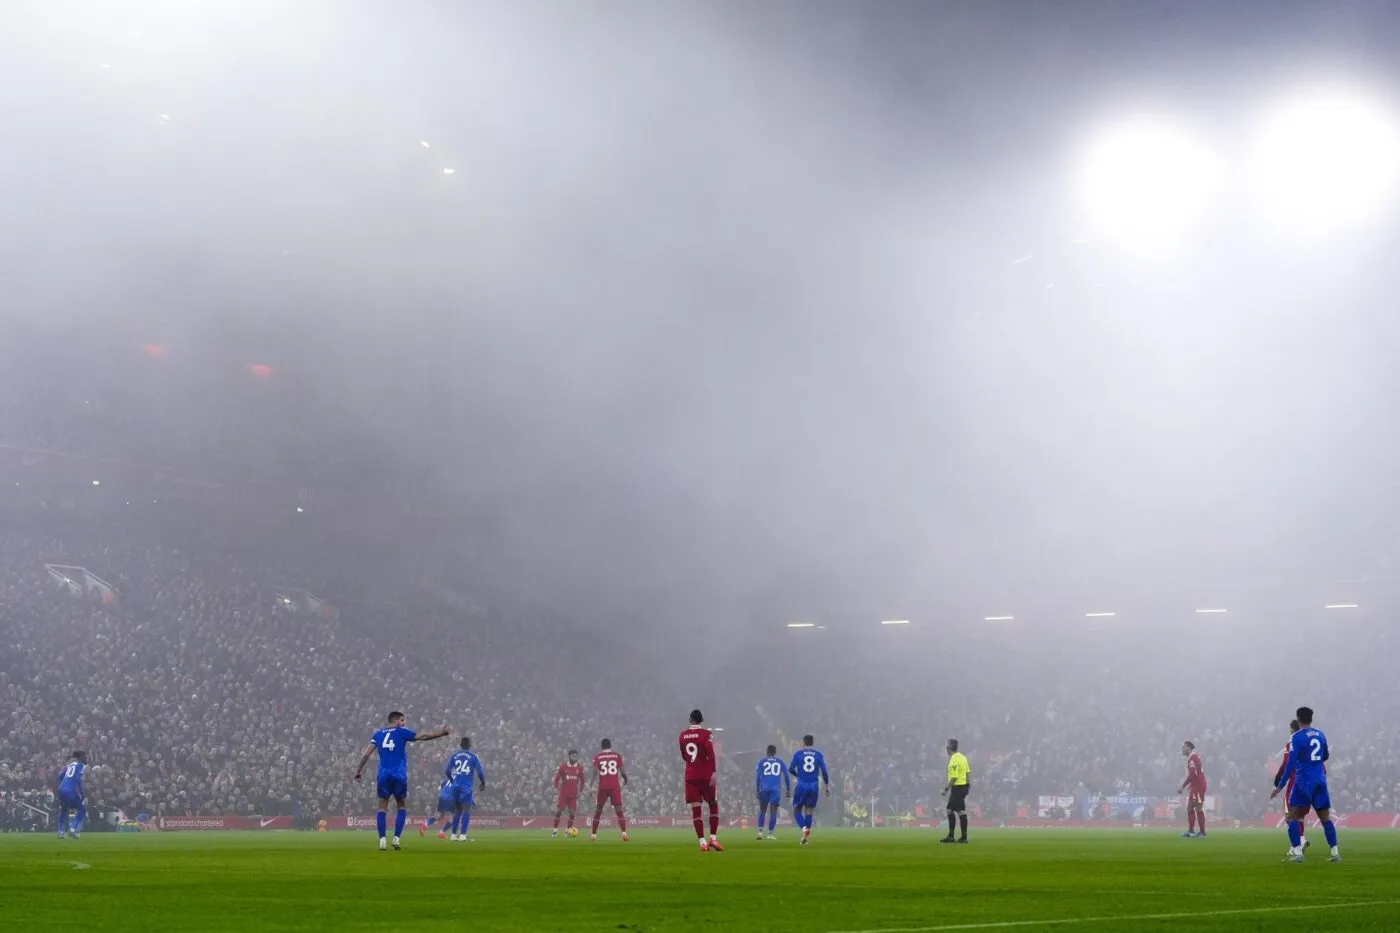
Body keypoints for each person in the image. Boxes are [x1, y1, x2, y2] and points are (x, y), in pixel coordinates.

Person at [353, 711, 451, 851]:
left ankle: (382, 841)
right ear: (397, 720)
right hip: (399, 774)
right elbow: (422, 736)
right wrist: (442, 733)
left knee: (382, 808)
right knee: (402, 806)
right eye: (403, 720)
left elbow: (366, 754)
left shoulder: (378, 734)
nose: (404, 723)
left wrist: (358, 771)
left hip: (383, 775)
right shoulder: (401, 731)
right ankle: (396, 839)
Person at [1277, 706, 1339, 862]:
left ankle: (1297, 854)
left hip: (1304, 780)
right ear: (1311, 719)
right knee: (1325, 818)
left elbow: (1290, 763)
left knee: (1293, 816)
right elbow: (1325, 755)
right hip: (1320, 779)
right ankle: (1335, 853)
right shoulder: (1320, 735)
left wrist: (1281, 784)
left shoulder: (1297, 737)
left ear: (1298, 719)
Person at [680, 709, 723, 851]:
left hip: (691, 776)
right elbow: (710, 753)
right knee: (713, 804)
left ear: (690, 719)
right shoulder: (706, 734)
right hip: (705, 775)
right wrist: (714, 772)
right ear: (701, 720)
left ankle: (702, 842)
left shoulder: (683, 735)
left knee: (696, 808)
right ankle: (713, 839)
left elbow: (684, 756)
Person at [1269, 719, 1309, 853]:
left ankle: (1299, 842)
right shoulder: (1307, 742)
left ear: (1292, 729)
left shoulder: (1292, 742)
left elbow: (1286, 763)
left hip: (1293, 783)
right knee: (1298, 816)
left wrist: (1278, 780)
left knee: (1289, 816)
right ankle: (1298, 842)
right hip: (1306, 782)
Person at [789, 735, 829, 846]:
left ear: (803, 742)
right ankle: (805, 838)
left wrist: (798, 775)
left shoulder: (798, 754)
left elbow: (790, 769)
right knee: (809, 811)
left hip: (801, 785)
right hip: (814, 786)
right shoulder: (818, 755)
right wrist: (827, 785)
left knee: (797, 810)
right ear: (812, 742)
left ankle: (804, 828)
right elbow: (824, 771)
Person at [445, 737, 486, 841]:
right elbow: (480, 772)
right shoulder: (473, 757)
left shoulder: (455, 756)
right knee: (466, 810)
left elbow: (447, 771)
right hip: (466, 787)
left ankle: (453, 835)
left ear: (460, 745)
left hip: (456, 787)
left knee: (457, 811)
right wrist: (483, 782)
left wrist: (452, 781)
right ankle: (463, 836)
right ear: (470, 745)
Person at [590, 738, 630, 842]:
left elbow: (594, 772)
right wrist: (625, 779)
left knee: (598, 810)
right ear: (610, 746)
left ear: (601, 746)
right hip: (614, 786)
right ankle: (624, 833)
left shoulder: (598, 757)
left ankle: (593, 834)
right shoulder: (617, 756)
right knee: (619, 810)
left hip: (603, 786)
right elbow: (622, 771)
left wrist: (591, 785)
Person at [755, 744, 791, 840]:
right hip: (775, 790)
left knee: (762, 810)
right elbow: (786, 776)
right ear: (775, 753)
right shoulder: (780, 762)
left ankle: (760, 832)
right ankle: (770, 834)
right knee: (773, 811)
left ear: (767, 752)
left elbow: (758, 777)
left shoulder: (762, 762)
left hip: (764, 789)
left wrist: (757, 790)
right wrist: (788, 789)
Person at [940, 739, 970, 844]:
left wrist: (946, 789)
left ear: (948, 748)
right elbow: (967, 772)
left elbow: (953, 777)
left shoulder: (953, 760)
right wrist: (967, 786)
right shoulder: (963, 757)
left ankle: (961, 837)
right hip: (964, 786)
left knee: (959, 811)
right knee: (951, 809)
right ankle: (955, 836)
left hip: (957, 787)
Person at [54, 750, 87, 840]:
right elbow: (78, 779)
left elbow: (59, 776)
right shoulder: (80, 765)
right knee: (81, 809)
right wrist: (82, 793)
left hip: (62, 790)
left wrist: (62, 786)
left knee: (64, 809)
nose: (86, 758)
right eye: (84, 757)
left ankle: (61, 832)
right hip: (70, 791)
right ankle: (72, 830)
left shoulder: (69, 765)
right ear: (78, 758)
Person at [552, 749, 585, 838]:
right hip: (563, 793)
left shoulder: (580, 767)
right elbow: (557, 778)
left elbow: (582, 780)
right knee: (559, 811)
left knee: (572, 813)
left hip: (573, 794)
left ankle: (568, 831)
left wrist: (581, 791)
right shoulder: (563, 766)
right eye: (573, 756)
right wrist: (556, 787)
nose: (575, 758)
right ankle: (555, 831)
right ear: (569, 756)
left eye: (576, 756)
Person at [1177, 741, 1207, 838]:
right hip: (1196, 785)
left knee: (1198, 808)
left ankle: (1202, 832)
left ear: (1189, 748)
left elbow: (1193, 774)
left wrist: (1183, 785)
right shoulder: (1193, 757)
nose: (1182, 749)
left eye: (1184, 747)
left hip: (1198, 786)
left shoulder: (1193, 759)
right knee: (1190, 808)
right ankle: (1191, 831)